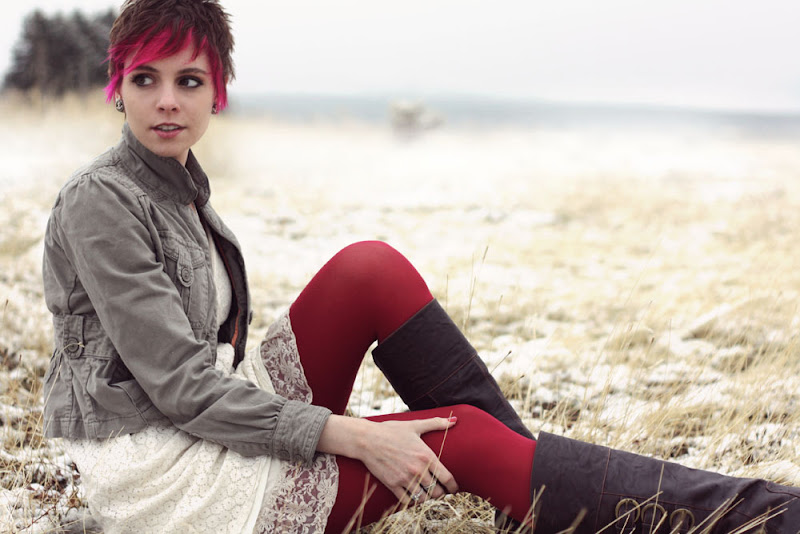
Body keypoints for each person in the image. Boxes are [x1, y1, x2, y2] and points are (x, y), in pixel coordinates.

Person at [40, 1, 800, 532]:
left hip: (206, 416)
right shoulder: (103, 201)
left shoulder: (176, 187)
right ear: (118, 89)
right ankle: (765, 517)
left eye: (189, 80)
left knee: (368, 269)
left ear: (218, 93)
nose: (167, 102)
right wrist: (350, 434)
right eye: (145, 79)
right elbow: (181, 389)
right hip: (165, 474)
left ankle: (527, 486)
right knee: (459, 437)